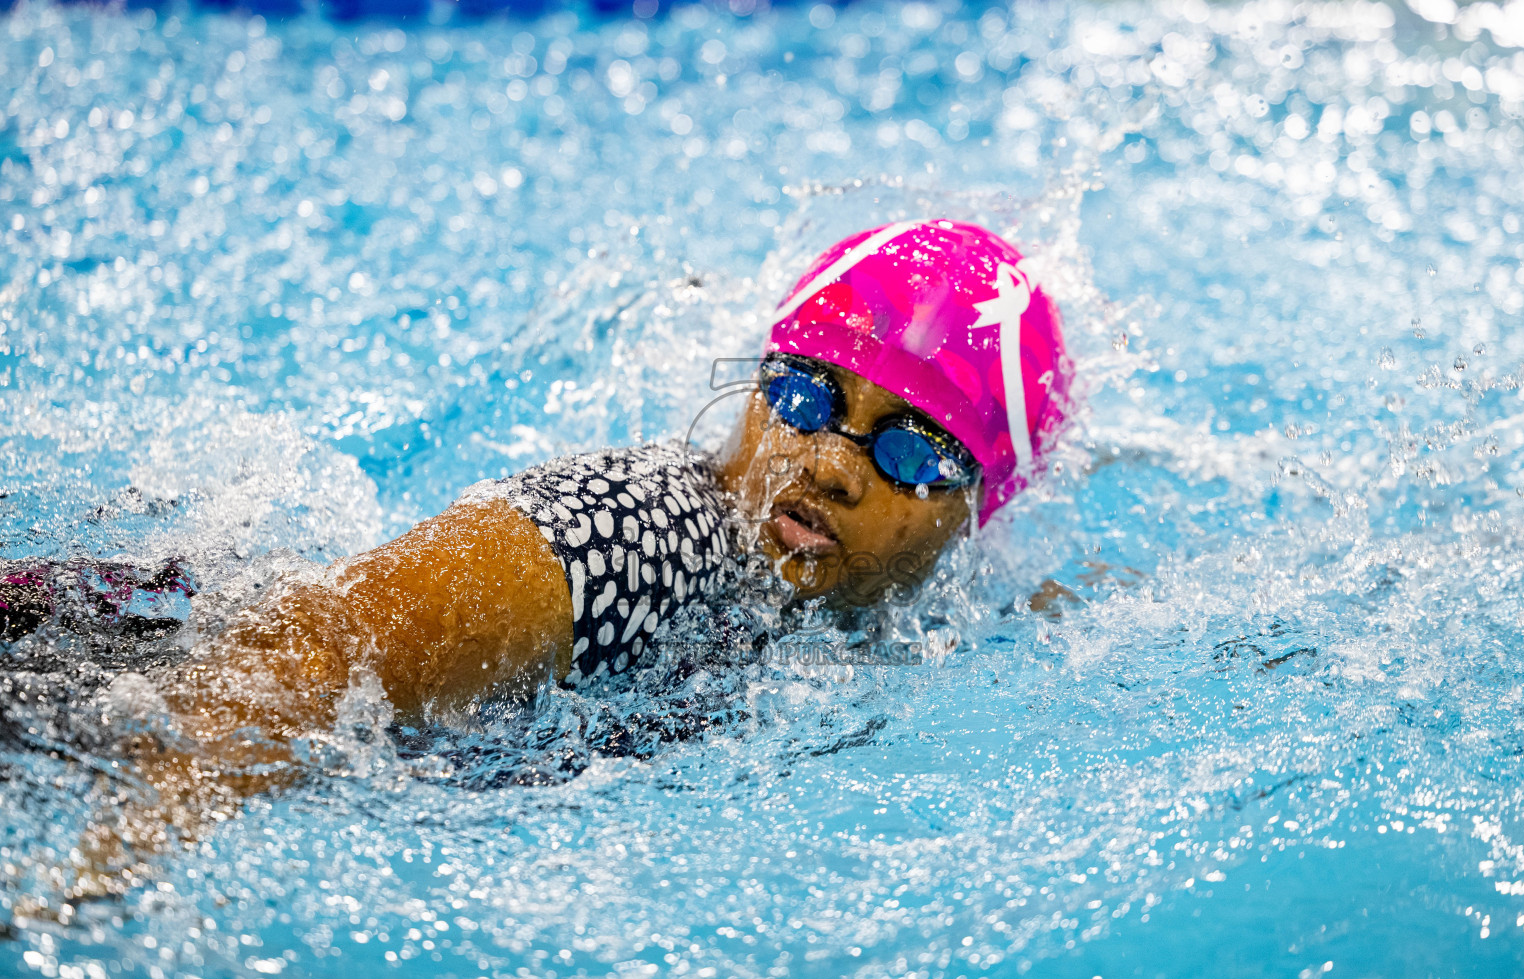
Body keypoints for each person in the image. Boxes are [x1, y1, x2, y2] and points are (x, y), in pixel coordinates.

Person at [2, 219, 1071, 900]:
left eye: (909, 447)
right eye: (800, 393)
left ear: (980, 507)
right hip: (87, 690)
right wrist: (105, 867)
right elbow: (311, 650)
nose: (828, 462)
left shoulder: (916, 607)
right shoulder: (638, 531)